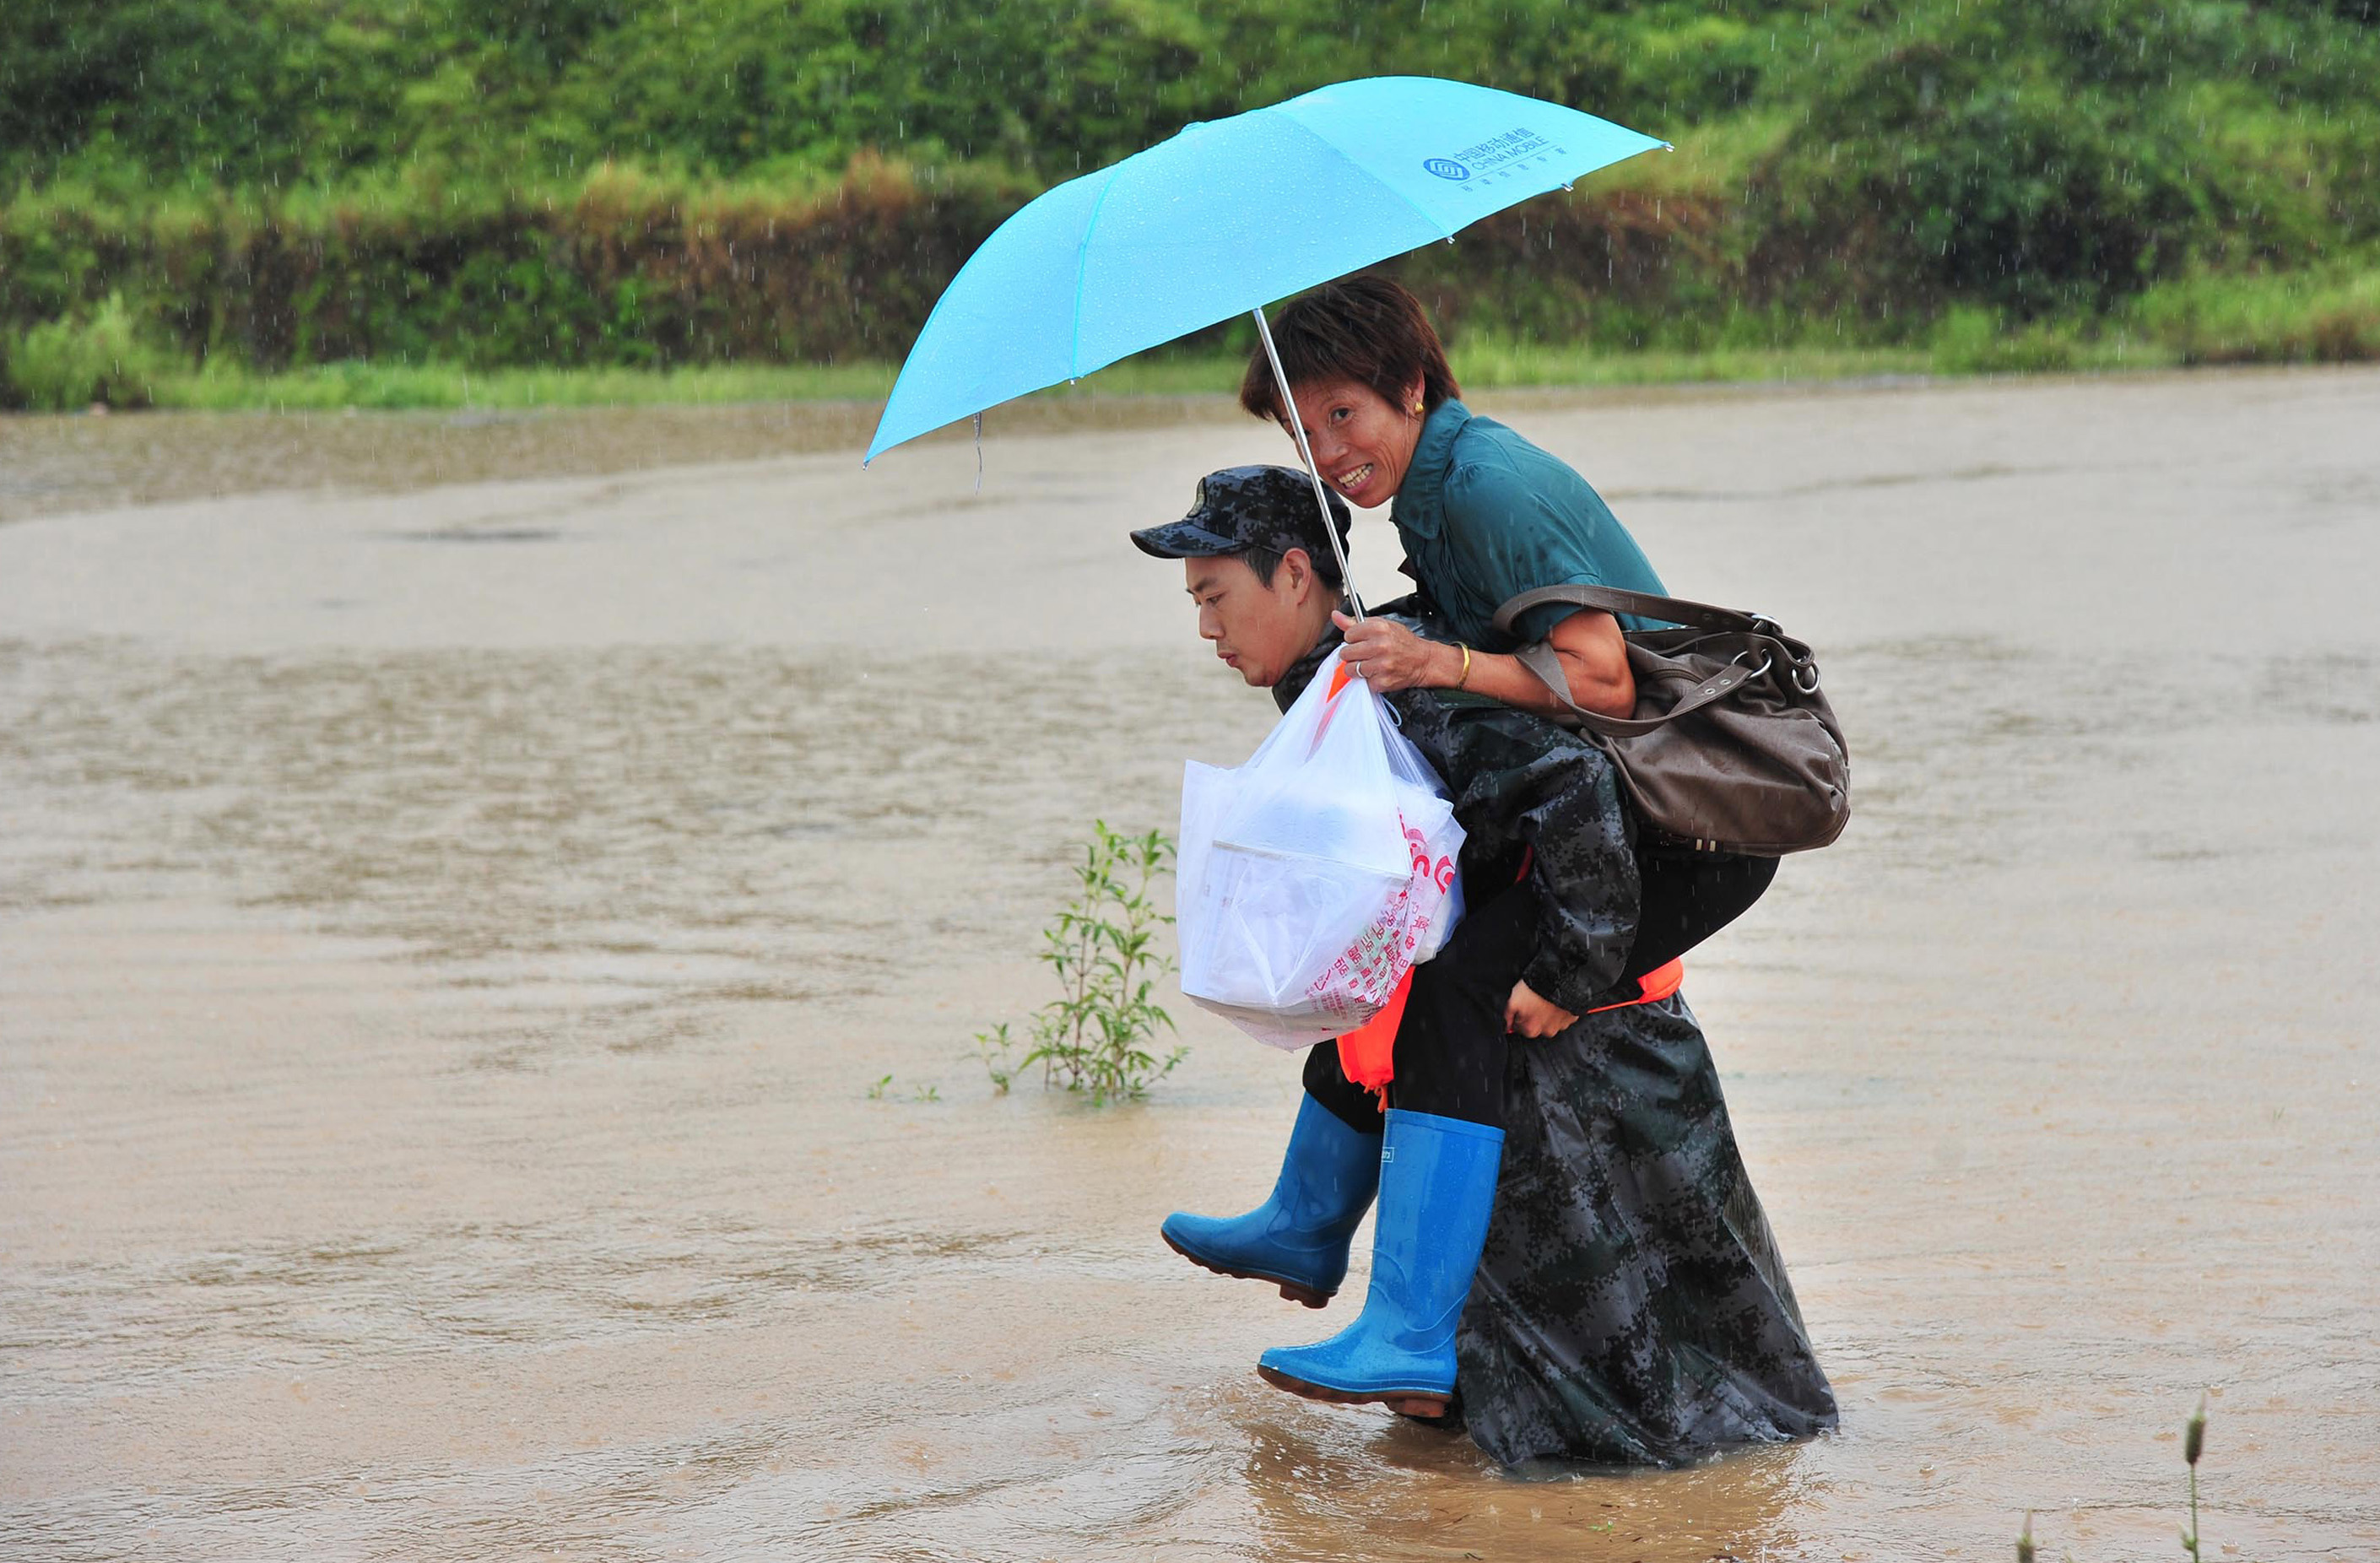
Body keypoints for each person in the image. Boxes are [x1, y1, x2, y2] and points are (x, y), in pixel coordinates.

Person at [1133, 466, 1836, 1466]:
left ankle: (1407, 1329)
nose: (1205, 626)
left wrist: (1571, 971)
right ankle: (1309, 1225)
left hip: (1633, 896)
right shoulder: (1331, 682)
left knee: (1444, 996)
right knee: (1378, 968)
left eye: (1214, 596)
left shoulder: (1395, 679)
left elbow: (1577, 785)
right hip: (1531, 896)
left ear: (1296, 575)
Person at [1242, 271, 1776, 987]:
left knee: (1460, 1000)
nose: (1327, 454)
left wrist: (1435, 663)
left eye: (1342, 414)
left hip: (1694, 818)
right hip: (1622, 807)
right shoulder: (1429, 488)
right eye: (1302, 434)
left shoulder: (1480, 487)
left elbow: (1605, 684)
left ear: (1410, 388)